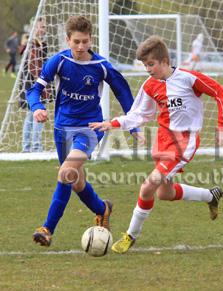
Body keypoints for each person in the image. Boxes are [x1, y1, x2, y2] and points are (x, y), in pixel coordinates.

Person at [89, 35, 223, 254]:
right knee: (164, 193)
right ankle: (210, 195)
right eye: (144, 65)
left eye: (151, 64)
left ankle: (130, 235)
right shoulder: (150, 86)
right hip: (163, 140)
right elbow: (139, 113)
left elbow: (219, 92)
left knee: (148, 186)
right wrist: (112, 123)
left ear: (165, 61)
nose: (147, 69)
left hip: (184, 142)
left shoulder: (188, 78)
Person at [27, 16, 140, 247]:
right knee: (76, 181)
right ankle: (102, 209)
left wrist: (133, 124)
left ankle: (47, 228)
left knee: (66, 172)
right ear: (68, 39)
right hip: (62, 129)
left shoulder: (100, 66)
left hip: (90, 128)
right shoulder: (58, 61)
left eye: (85, 41)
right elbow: (34, 90)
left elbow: (123, 92)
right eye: (76, 41)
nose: (81, 47)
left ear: (91, 40)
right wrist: (37, 107)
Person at [20, 18, 48, 153]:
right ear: (34, 28)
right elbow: (33, 66)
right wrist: (42, 85)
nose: (43, 29)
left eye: (44, 27)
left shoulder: (42, 44)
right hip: (33, 85)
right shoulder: (32, 44)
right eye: (41, 27)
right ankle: (35, 147)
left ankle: (27, 147)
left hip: (36, 83)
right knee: (38, 113)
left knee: (31, 116)